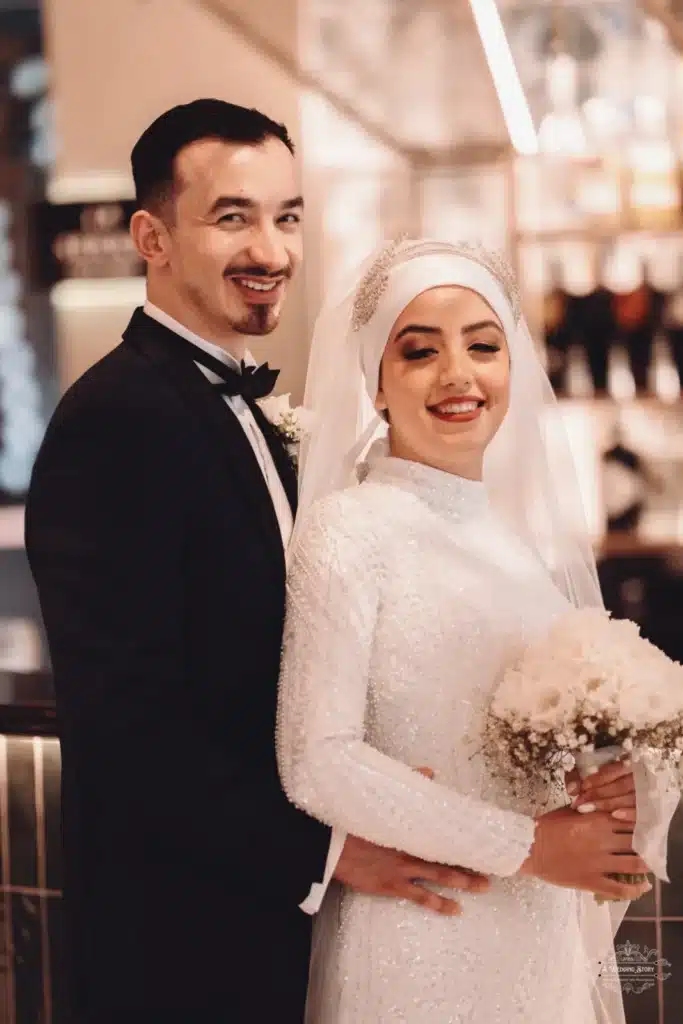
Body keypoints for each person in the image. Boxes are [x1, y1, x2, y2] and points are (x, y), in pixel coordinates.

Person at [24, 105, 482, 1023]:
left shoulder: (248, 414)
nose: (270, 248)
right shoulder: (116, 421)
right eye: (232, 217)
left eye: (288, 216)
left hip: (270, 929)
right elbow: (127, 728)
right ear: (151, 236)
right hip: (179, 948)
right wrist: (328, 852)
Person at [277, 238, 659, 1023]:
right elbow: (314, 760)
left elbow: (523, 741)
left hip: (539, 937)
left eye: (482, 346)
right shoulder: (348, 531)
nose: (457, 374)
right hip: (422, 933)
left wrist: (600, 775)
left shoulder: (516, 549)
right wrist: (528, 845)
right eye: (418, 352)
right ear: (377, 385)